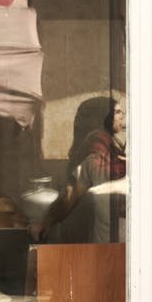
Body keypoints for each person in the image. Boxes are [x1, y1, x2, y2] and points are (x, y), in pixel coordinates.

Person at [35, 95, 128, 244]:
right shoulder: (96, 145)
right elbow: (71, 195)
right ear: (102, 116)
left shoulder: (104, 146)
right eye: (117, 112)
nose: (122, 116)